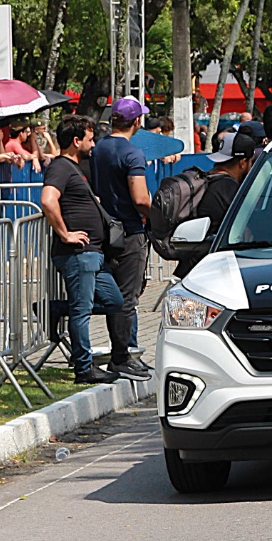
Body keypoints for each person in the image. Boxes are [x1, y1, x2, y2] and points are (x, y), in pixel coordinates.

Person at [41, 115, 140, 384]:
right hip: (78, 255)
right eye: (89, 138)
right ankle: (84, 369)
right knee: (81, 311)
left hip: (94, 254)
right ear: (76, 141)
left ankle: (58, 308)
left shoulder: (74, 168)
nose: (93, 144)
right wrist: (65, 234)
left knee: (115, 302)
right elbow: (48, 201)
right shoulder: (60, 167)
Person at [90, 97, 152, 377]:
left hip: (105, 231)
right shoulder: (132, 153)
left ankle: (127, 352)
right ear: (136, 122)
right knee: (127, 298)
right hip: (129, 232)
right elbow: (140, 197)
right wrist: (156, 213)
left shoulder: (98, 148)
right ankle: (122, 356)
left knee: (115, 297)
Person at [174, 128, 258, 277]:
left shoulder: (206, 180)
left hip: (195, 264)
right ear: (243, 162)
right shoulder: (228, 188)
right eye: (251, 161)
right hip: (214, 267)